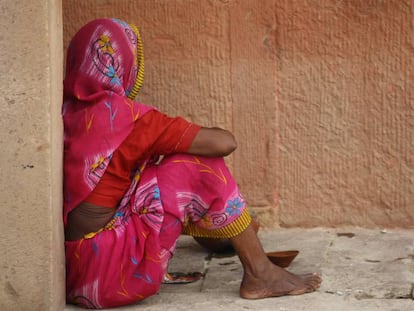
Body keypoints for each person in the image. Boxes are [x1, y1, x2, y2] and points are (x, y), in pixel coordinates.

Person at [63, 18, 322, 309]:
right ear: (124, 64)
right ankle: (261, 273)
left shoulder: (65, 112)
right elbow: (225, 143)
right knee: (198, 165)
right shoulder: (128, 118)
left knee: (155, 178)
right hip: (111, 280)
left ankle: (227, 238)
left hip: (75, 275)